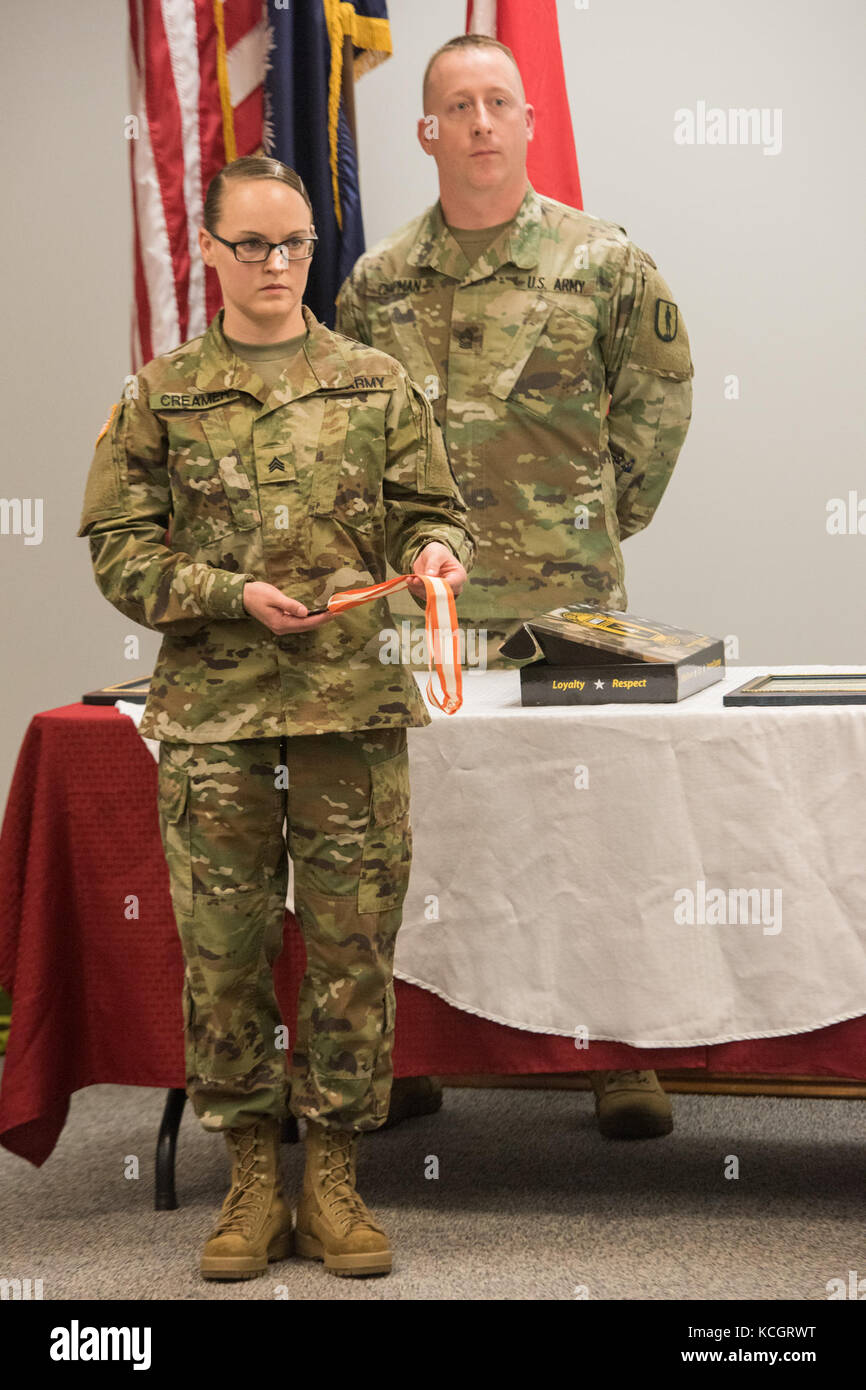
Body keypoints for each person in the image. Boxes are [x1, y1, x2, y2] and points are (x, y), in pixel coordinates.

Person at [76, 155, 475, 1279]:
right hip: (216, 717)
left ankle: (336, 1173)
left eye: (291, 242)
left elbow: (428, 513)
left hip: (350, 709)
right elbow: (117, 546)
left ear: (314, 246)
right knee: (226, 949)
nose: (272, 264)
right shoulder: (160, 394)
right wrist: (223, 595)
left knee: (352, 945)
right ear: (208, 250)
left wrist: (435, 551)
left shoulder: (373, 380)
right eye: (248, 244)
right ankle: (253, 1171)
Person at [336, 33, 695, 1140]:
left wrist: (592, 523)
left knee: (592, 837)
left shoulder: (604, 262)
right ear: (426, 132)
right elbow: (355, 443)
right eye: (459, 105)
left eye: (499, 101)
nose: (481, 122)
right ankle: (411, 1054)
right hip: (422, 619)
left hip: (566, 609)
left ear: (528, 122)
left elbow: (658, 404)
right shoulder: (377, 280)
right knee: (415, 840)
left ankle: (615, 1055)